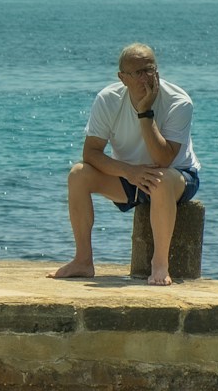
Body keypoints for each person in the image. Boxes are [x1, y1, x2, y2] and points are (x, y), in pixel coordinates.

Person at [48, 43, 201, 286]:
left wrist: (145, 113)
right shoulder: (108, 100)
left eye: (150, 69)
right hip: (130, 176)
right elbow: (91, 153)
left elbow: (164, 159)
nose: (146, 77)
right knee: (78, 174)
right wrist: (129, 172)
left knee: (159, 178)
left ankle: (160, 264)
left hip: (177, 176)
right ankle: (83, 261)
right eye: (137, 73)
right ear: (122, 78)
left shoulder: (179, 101)